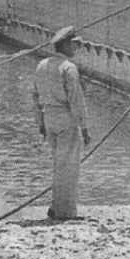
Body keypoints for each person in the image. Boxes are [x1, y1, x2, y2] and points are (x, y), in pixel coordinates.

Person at [32, 26, 91, 222]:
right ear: (65, 44)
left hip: (49, 119)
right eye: (74, 44)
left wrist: (40, 123)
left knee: (58, 164)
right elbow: (76, 100)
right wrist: (84, 127)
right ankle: (66, 212)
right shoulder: (68, 68)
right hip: (66, 119)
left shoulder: (41, 65)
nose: (76, 48)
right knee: (69, 167)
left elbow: (35, 97)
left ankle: (56, 206)